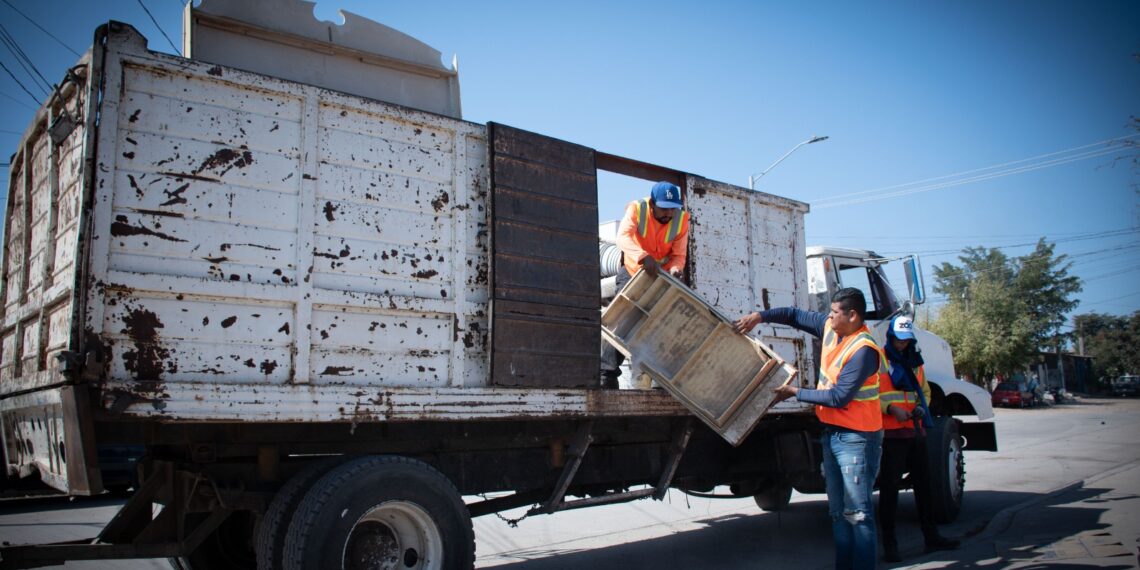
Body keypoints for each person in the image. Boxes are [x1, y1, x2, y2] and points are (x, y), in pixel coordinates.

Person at [734, 288, 885, 570]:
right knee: (838, 514)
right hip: (832, 434)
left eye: (835, 312)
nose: (829, 316)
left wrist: (795, 392)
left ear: (852, 316)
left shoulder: (863, 350)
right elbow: (792, 315)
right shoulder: (829, 327)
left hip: (857, 440)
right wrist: (759, 316)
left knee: (858, 515)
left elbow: (839, 397)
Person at [877, 316, 959, 562]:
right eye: (898, 340)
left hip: (915, 430)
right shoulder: (878, 359)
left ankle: (931, 537)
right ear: (890, 337)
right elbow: (869, 396)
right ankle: (890, 545)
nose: (902, 345)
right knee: (889, 490)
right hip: (891, 434)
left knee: (924, 487)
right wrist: (891, 408)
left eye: (905, 341)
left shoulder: (916, 363)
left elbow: (924, 391)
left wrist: (923, 408)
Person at [600, 181, 690, 388]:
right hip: (633, 270)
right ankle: (606, 373)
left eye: (672, 209)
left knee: (663, 322)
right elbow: (623, 237)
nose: (668, 213)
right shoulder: (637, 209)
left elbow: (678, 255)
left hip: (662, 276)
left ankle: (659, 377)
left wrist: (676, 268)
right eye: (664, 208)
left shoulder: (682, 219)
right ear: (652, 204)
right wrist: (642, 256)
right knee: (624, 319)